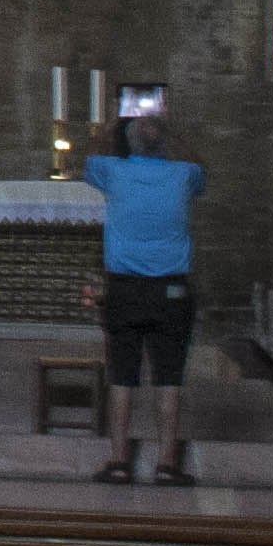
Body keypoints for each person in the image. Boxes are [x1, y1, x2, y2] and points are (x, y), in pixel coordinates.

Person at [78, 103, 201, 486]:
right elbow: (199, 162)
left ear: (127, 144)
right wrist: (172, 130)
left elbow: (90, 156)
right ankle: (166, 465)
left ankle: (118, 462)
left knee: (122, 375)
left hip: (125, 288)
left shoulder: (113, 170)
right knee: (169, 378)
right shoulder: (184, 174)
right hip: (172, 290)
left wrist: (111, 124)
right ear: (165, 144)